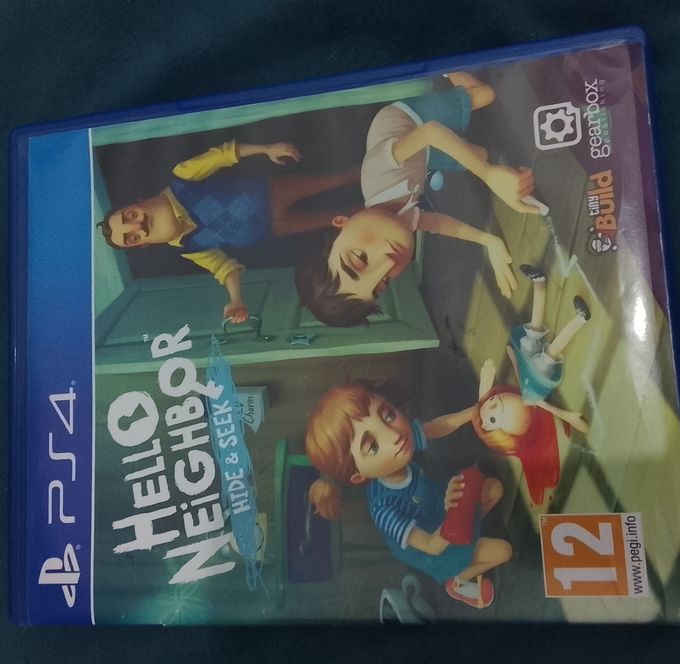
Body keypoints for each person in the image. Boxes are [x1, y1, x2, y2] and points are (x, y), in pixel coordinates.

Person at [295, 72, 542, 327]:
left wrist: (488, 174)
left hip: (410, 121)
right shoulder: (397, 222)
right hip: (422, 158)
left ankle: (447, 68)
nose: (389, 262)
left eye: (359, 258)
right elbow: (439, 224)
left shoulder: (380, 170)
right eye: (383, 282)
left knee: (484, 94)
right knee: (479, 153)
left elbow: (431, 132)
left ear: (341, 222)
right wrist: (489, 241)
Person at [98, 140, 358, 323]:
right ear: (142, 245)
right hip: (273, 227)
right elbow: (224, 269)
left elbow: (223, 155)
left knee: (336, 179)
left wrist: (266, 149)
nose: (139, 226)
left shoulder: (182, 178)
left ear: (138, 202)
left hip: (271, 192)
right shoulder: (189, 248)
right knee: (339, 219)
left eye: (130, 216)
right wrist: (236, 300)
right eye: (132, 237)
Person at [305, 382, 511, 609]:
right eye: (372, 447)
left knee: (495, 489)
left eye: (388, 415)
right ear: (358, 476)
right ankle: (458, 581)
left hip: (438, 505)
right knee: (503, 551)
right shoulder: (384, 509)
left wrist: (472, 413)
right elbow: (432, 546)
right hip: (436, 545)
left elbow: (437, 427)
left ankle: (471, 533)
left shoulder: (402, 442)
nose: (393, 435)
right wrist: (455, 512)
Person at [472, 264, 591, 506]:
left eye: (491, 402)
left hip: (527, 365)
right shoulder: (532, 398)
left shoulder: (521, 392)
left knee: (530, 337)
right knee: (550, 354)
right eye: (493, 418)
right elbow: (549, 408)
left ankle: (539, 282)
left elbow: (518, 374)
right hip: (541, 375)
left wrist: (513, 359)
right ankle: (581, 318)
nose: (493, 404)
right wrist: (568, 416)